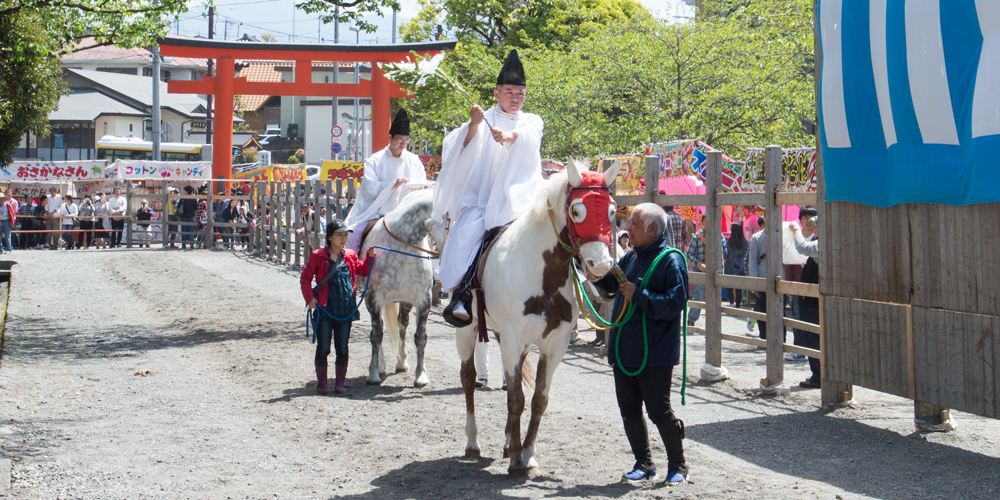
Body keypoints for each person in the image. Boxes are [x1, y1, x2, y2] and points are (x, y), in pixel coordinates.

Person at [432, 49, 544, 387]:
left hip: (521, 198)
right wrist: (477, 126)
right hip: (485, 201)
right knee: (468, 233)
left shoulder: (531, 120)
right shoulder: (481, 119)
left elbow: (527, 138)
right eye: (509, 93)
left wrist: (509, 137)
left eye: (520, 93)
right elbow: (457, 151)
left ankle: (576, 284)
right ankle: (463, 294)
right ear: (496, 93)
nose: (515, 98)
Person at [591, 203, 689, 486]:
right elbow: (610, 285)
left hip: (654, 351)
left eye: (634, 223)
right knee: (629, 410)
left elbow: (674, 304)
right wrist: (591, 267)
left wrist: (640, 295)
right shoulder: (631, 256)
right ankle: (644, 463)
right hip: (625, 347)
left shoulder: (671, 260)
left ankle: (678, 465)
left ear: (653, 229)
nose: (628, 228)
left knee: (659, 410)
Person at [300, 219, 376, 395]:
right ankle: (322, 384)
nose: (343, 238)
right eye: (339, 235)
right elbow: (305, 278)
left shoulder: (350, 255)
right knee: (324, 347)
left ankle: (340, 384)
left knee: (342, 347)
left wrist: (370, 258)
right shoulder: (317, 256)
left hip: (345, 309)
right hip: (325, 310)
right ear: (329, 237)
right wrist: (310, 299)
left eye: (345, 235)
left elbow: (363, 271)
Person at [344, 108, 427, 254]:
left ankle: (433, 273)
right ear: (390, 137)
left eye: (406, 140)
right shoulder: (375, 160)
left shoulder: (414, 161)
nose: (402, 144)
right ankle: (353, 268)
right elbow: (371, 187)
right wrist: (392, 185)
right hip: (376, 212)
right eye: (399, 139)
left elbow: (422, 185)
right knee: (354, 234)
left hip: (407, 214)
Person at [790, 216, 822, 388]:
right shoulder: (819, 241)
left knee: (813, 336)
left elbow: (802, 247)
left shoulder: (822, 243)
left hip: (813, 300)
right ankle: (818, 374)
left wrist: (796, 228)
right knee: (813, 335)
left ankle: (819, 375)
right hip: (811, 298)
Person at [684, 218, 727, 326]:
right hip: (700, 273)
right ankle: (691, 320)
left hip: (716, 273)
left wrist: (721, 271)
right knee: (699, 297)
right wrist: (698, 264)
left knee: (715, 298)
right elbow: (689, 254)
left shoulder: (720, 236)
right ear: (702, 223)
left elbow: (723, 253)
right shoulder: (697, 237)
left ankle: (713, 323)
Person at [724, 223, 749, 308]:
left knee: (729, 286)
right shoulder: (744, 242)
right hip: (740, 267)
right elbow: (746, 254)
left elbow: (725, 255)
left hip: (730, 266)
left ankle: (731, 303)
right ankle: (738, 305)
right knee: (739, 288)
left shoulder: (729, 242)